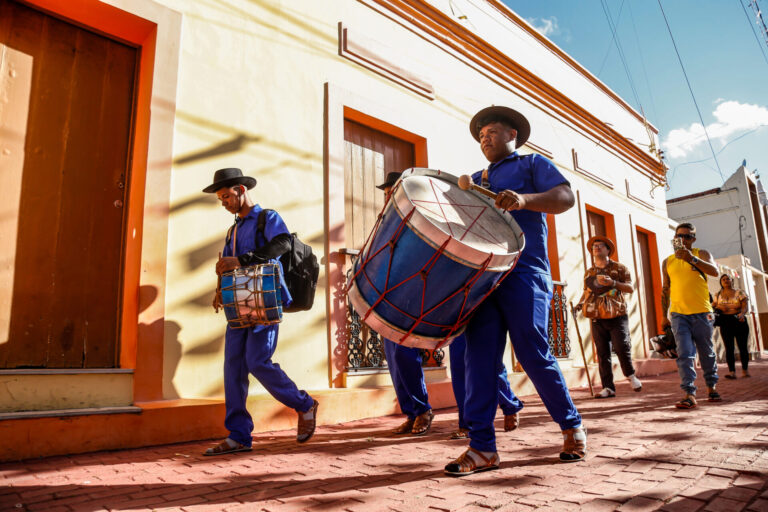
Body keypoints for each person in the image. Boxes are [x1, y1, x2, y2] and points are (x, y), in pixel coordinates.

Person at [445, 106, 585, 477]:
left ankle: (572, 428)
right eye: (480, 135)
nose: (484, 138)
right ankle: (482, 449)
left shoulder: (532, 164)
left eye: (491, 131)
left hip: (525, 271)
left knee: (533, 351)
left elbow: (565, 199)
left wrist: (524, 200)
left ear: (513, 135)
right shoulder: (475, 178)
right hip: (484, 277)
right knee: (479, 359)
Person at [203, 168, 318, 455]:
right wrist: (221, 289)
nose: (224, 203)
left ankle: (304, 404)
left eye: (227, 196)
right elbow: (232, 267)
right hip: (237, 303)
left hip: (265, 301)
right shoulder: (232, 230)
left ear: (241, 190)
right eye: (220, 199)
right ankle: (239, 435)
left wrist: (241, 259)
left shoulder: (268, 217)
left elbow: (282, 244)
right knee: (233, 367)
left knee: (257, 361)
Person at [377, 171, 435, 436]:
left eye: (392, 191)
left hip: (412, 294)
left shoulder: (420, 217)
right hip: (388, 295)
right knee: (393, 358)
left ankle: (423, 410)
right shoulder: (384, 221)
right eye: (387, 192)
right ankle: (411, 413)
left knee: (405, 354)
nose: (388, 196)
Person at [661, 222, 721, 409]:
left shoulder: (701, 254)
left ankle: (711, 387)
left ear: (693, 239)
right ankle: (689, 393)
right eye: (679, 236)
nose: (682, 239)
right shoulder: (668, 261)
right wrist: (664, 315)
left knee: (706, 352)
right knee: (685, 354)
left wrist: (691, 259)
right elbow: (666, 289)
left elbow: (715, 272)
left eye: (687, 236)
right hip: (679, 315)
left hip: (702, 312)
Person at [576, 236, 642, 398]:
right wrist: (579, 304)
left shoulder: (619, 268)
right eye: (594, 247)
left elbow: (629, 288)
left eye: (600, 246)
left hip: (616, 314)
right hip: (596, 315)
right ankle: (608, 387)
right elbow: (587, 291)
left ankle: (630, 375)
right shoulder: (590, 272)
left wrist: (612, 283)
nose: (596, 248)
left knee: (621, 346)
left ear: (607, 250)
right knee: (602, 352)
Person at [449, 334, 523, 439]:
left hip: (483, 318)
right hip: (457, 320)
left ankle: (509, 405)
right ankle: (468, 424)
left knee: (490, 362)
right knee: (460, 365)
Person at [712, 274, 751, 379]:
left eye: (728, 279)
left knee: (742, 346)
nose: (726, 280)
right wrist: (718, 308)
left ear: (731, 280)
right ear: (721, 282)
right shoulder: (718, 294)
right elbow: (713, 307)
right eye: (723, 279)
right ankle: (732, 372)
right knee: (729, 348)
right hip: (725, 322)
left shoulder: (739, 292)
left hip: (739, 320)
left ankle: (745, 371)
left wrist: (742, 314)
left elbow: (745, 306)